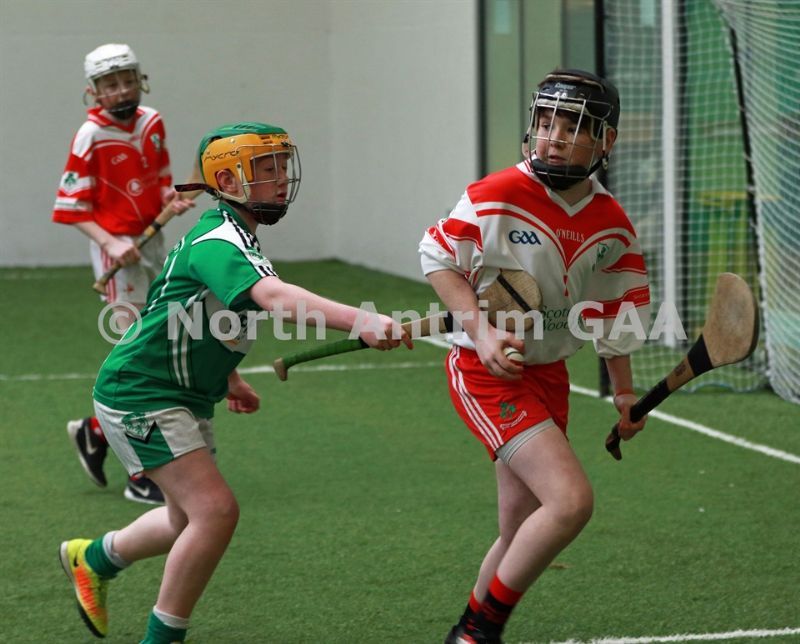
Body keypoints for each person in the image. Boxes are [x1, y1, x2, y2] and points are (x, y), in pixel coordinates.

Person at [58, 121, 412, 643]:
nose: (281, 179)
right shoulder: (219, 241)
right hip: (142, 393)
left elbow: (197, 315)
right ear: (227, 180)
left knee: (184, 521)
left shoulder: (233, 234)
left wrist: (229, 377)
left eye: (283, 166)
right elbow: (276, 299)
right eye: (266, 169)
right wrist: (363, 320)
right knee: (215, 511)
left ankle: (93, 559)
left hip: (181, 394)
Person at [418, 69, 652, 644]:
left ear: (605, 140)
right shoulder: (496, 193)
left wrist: (623, 390)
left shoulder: (611, 222)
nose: (552, 137)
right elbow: (439, 257)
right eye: (545, 122)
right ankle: (479, 632)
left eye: (572, 127)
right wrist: (482, 331)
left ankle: (464, 635)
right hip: (486, 373)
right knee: (570, 502)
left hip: (548, 375)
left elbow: (614, 309)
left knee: (520, 527)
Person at [52, 43, 195, 504]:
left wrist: (171, 197)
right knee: (136, 358)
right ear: (94, 91)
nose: (121, 91)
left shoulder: (152, 121)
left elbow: (161, 178)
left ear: (140, 80)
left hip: (153, 244)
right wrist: (111, 242)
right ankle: (140, 473)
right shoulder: (89, 135)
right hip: (117, 255)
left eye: (127, 80)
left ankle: (95, 432)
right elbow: (71, 206)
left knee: (161, 345)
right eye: (110, 84)